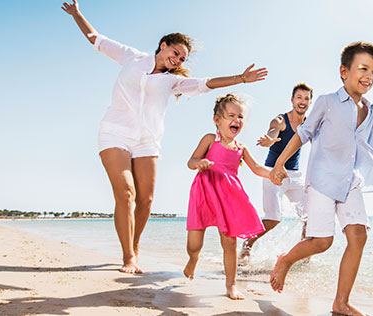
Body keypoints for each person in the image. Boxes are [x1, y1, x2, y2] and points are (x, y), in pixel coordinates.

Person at [61, 0, 268, 274]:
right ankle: (128, 258)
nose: (178, 60)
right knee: (126, 193)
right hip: (115, 132)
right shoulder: (132, 58)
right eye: (176, 53)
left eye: (182, 59)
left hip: (147, 140)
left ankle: (135, 245)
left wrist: (240, 78)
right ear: (163, 45)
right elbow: (97, 39)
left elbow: (205, 84)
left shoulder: (173, 81)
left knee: (145, 200)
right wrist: (77, 13)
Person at [268, 42, 373, 316]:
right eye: (363, 68)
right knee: (322, 242)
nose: (369, 75)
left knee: (358, 237)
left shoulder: (370, 112)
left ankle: (341, 303)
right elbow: (303, 133)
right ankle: (286, 260)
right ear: (344, 71)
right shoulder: (327, 102)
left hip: (350, 182)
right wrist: (279, 162)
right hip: (323, 180)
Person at [183, 94, 270, 300]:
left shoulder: (241, 148)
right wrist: (199, 163)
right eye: (231, 115)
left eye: (240, 117)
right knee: (194, 243)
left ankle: (231, 285)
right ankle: (193, 259)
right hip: (204, 192)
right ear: (217, 120)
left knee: (230, 242)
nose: (237, 120)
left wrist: (273, 173)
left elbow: (257, 168)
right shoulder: (210, 140)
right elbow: (191, 161)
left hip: (229, 196)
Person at [238, 83, 313, 261]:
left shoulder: (309, 124)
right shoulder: (280, 120)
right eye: (299, 97)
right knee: (273, 219)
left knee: (310, 215)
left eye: (306, 98)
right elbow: (272, 133)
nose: (302, 101)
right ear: (292, 100)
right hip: (272, 173)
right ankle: (247, 244)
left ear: (310, 102)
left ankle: (304, 254)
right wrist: (269, 140)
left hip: (294, 175)